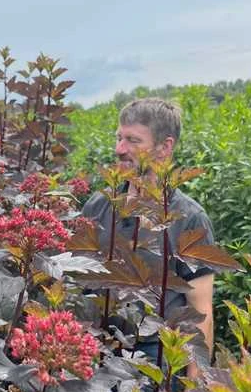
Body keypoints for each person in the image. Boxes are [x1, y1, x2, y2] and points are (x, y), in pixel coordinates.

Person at [82, 97, 215, 375]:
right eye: (119, 138)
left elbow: (200, 314)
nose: (120, 149)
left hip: (156, 360)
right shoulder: (99, 204)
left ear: (165, 147)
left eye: (133, 140)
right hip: (95, 352)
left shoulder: (189, 218)